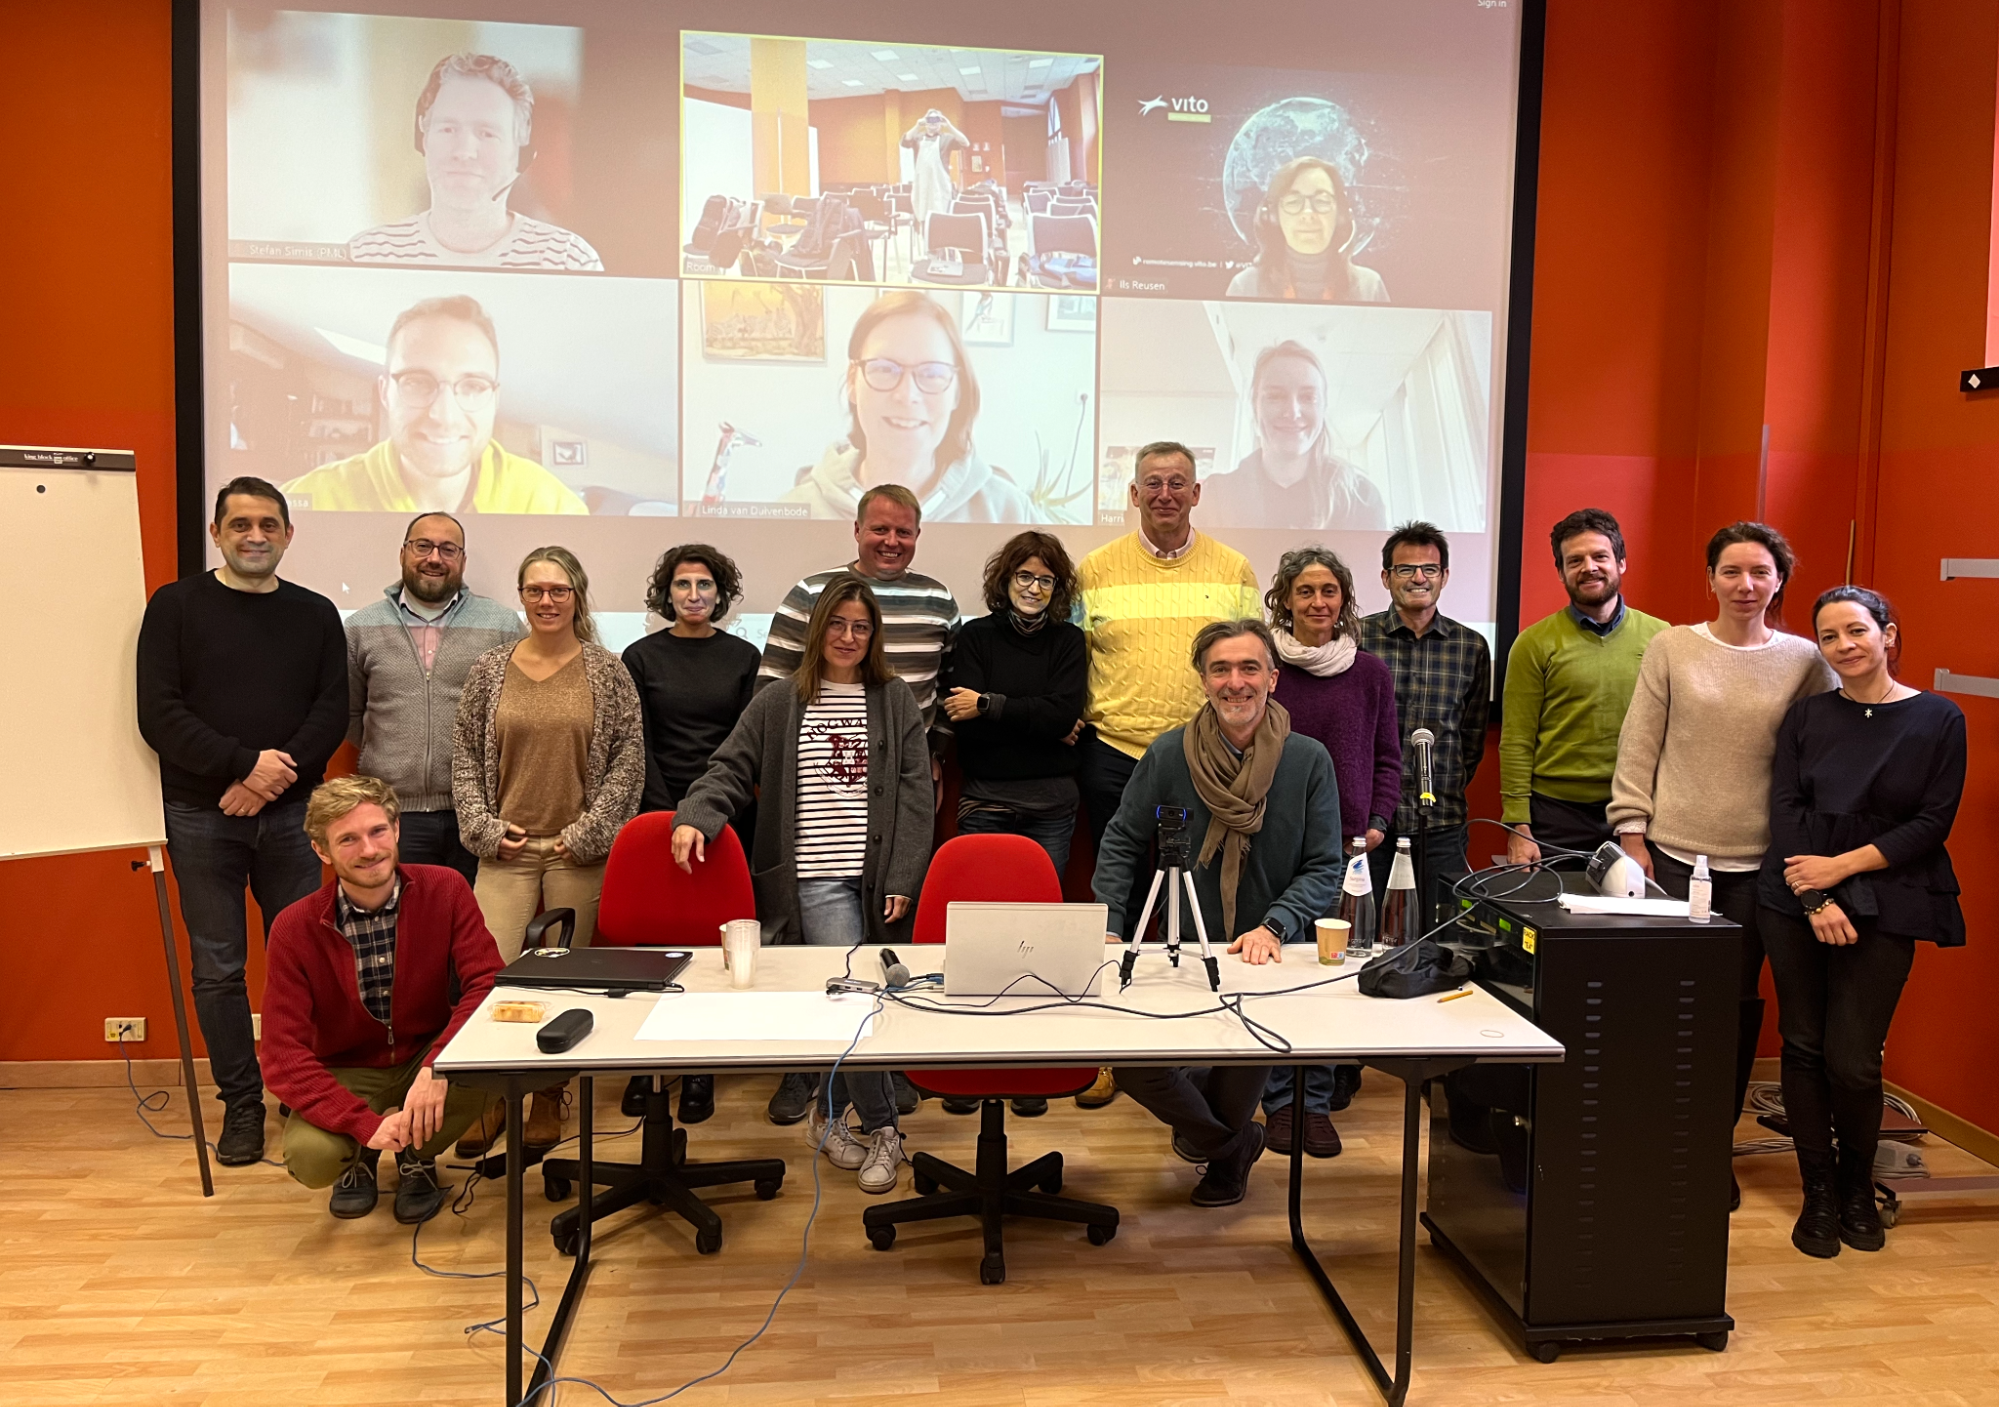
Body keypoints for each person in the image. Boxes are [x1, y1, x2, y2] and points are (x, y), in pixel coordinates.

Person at [672, 577, 931, 1194]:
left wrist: (902, 874)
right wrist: (695, 815)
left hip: (875, 883)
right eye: (837, 624)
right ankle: (882, 1127)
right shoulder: (781, 701)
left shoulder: (893, 699)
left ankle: (829, 1118)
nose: (848, 636)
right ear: (817, 630)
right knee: (853, 998)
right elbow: (729, 766)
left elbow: (916, 791)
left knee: (850, 1001)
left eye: (861, 627)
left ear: (874, 636)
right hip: (811, 882)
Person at [1609, 523, 1835, 1209]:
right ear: (1709, 577)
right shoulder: (1672, 647)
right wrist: (1631, 833)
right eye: (1731, 571)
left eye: (1759, 572)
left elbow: (1827, 752)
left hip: (1763, 867)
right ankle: (1652, 1139)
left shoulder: (1804, 660)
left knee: (1732, 1012)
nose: (1745, 585)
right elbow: (1639, 743)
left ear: (1778, 580)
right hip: (1673, 858)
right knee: (1664, 1006)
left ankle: (1710, 1146)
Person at [1096, 620, 1345, 1207]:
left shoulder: (1308, 761)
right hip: (1182, 949)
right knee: (1132, 1065)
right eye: (1221, 669)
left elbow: (1324, 865)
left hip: (1267, 956)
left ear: (1273, 679)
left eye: (1249, 668)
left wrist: (1274, 925)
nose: (1236, 682)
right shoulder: (1168, 753)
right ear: (1203, 680)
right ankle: (1233, 1144)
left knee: (1247, 1052)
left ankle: (1219, 1155)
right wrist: (1108, 925)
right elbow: (1122, 840)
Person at [136, 477, 347, 1167]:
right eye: (239, 524)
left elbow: (330, 712)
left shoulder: (316, 613)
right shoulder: (174, 607)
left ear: (288, 534)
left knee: (304, 961)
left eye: (268, 524)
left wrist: (269, 779)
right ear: (216, 533)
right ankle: (243, 1105)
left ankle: (301, 1090)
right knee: (219, 968)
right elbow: (159, 712)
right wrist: (242, 766)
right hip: (201, 815)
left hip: (292, 817)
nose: (254, 536)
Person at [1760, 587, 1964, 1260]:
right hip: (1795, 896)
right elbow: (1786, 806)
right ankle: (1817, 1190)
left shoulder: (1938, 718)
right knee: (1802, 1047)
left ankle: (1856, 1187)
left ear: (1887, 634)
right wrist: (1814, 897)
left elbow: (1931, 821)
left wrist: (1839, 869)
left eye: (1855, 630)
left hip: (1888, 892)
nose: (1843, 645)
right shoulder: (1806, 717)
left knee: (1851, 1059)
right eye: (1829, 636)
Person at [759, 485, 959, 1124]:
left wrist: (932, 754)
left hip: (890, 823)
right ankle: (852, 1098)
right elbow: (761, 719)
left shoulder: (934, 607)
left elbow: (947, 696)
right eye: (879, 529)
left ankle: (871, 1077)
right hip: (819, 835)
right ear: (856, 529)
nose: (891, 541)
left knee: (877, 960)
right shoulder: (806, 599)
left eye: (904, 532)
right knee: (837, 970)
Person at [1072, 441, 1260, 1108]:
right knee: (1118, 893)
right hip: (1113, 752)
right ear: (1133, 494)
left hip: (1200, 759)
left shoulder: (1233, 568)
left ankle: (1194, 1036)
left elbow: (1246, 665)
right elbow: (1074, 657)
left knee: (1198, 896)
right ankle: (1108, 1048)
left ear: (1196, 492)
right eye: (1151, 483)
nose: (1164, 494)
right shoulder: (1095, 569)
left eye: (1177, 482)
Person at [451, 546, 644, 1154]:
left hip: (575, 853)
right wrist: (482, 828)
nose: (546, 601)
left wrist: (590, 832)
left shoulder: (607, 671)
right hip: (505, 851)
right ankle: (491, 1097)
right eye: (535, 590)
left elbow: (628, 759)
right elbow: (465, 755)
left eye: (559, 590)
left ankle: (546, 1096)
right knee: (490, 978)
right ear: (522, 596)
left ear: (577, 596)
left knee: (564, 982)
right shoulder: (491, 669)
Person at [263, 777, 502, 1225]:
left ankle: (416, 1157)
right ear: (322, 851)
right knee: (311, 1157)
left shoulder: (446, 888)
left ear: (396, 829)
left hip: (424, 1053)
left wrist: (438, 1065)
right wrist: (362, 1124)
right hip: (348, 1066)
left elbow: (487, 983)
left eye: (377, 831)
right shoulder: (294, 928)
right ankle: (361, 1154)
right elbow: (281, 1055)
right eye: (348, 839)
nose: (369, 850)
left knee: (499, 1069)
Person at [938, 531, 1089, 1120]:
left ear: (1058, 588)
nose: (1033, 588)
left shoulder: (1068, 640)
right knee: (979, 934)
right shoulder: (975, 637)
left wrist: (990, 704)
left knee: (1038, 937)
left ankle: (1030, 1063)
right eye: (1024, 576)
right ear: (1004, 581)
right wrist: (1039, 721)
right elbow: (970, 730)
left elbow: (1064, 712)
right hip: (987, 800)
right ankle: (965, 1064)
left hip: (1053, 805)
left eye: (1045, 580)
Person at [1258, 547, 1400, 1160]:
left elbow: (1388, 756)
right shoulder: (1263, 667)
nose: (1318, 602)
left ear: (1344, 600)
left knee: (1325, 976)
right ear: (1284, 600)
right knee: (1269, 970)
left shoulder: (1370, 673)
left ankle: (1312, 1103)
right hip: (1268, 842)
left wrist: (1378, 820)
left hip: (1343, 848)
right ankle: (1276, 1101)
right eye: (1305, 591)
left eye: (1329, 591)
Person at [620, 542, 760, 1125]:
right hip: (655, 814)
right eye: (683, 584)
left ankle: (701, 1063)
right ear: (667, 593)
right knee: (654, 939)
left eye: (705, 585)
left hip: (727, 816)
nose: (694, 595)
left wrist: (708, 813)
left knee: (711, 940)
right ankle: (645, 1064)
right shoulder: (639, 656)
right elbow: (637, 742)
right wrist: (669, 814)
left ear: (720, 594)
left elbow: (746, 745)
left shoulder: (744, 656)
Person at [280, 295, 587, 515]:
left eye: (473, 386)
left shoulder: (554, 508)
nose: (444, 416)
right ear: (385, 393)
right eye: (417, 382)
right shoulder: (305, 505)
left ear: (495, 400)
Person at [345, 512, 524, 887]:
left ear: (463, 560)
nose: (434, 558)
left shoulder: (503, 625)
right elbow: (350, 714)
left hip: (478, 814)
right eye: (423, 546)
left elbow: (521, 716)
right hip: (392, 814)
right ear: (403, 553)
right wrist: (393, 755)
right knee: (408, 920)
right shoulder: (360, 628)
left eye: (448, 549)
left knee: (473, 921)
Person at [1501, 509, 1667, 866]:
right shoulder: (1533, 644)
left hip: (1639, 814)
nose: (1589, 567)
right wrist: (1518, 825)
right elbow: (1516, 740)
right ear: (1561, 572)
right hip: (1555, 818)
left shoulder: (1662, 639)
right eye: (1575, 561)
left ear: (1621, 562)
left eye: (1600, 556)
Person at [785, 290, 1035, 522]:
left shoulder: (1010, 514)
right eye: (885, 369)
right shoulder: (794, 516)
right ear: (852, 381)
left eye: (932, 373)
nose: (907, 395)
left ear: (957, 392)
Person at [349, 52, 602, 271]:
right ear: (422, 138)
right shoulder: (365, 253)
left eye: (486, 133)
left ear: (521, 151)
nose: (464, 152)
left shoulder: (570, 258)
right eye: (448, 129)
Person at [1358, 521, 1491, 922]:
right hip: (1370, 821)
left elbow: (1471, 737)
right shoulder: (1356, 640)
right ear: (1386, 577)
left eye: (1429, 569)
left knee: (1440, 931)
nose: (1419, 578)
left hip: (1443, 824)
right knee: (1365, 929)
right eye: (1406, 569)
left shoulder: (1470, 647)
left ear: (1444, 576)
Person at [1196, 341, 1386, 531]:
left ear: (1323, 408)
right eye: (1275, 396)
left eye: (1308, 397)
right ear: (1255, 406)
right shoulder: (1214, 498)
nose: (1292, 412)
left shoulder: (1361, 499)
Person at [1225, 157, 1387, 303]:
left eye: (1322, 201)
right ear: (1273, 217)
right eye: (1293, 202)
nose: (1308, 214)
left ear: (1341, 215)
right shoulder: (1245, 287)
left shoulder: (1370, 287)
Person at [903, 109, 969, 235]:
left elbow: (965, 142)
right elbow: (906, 140)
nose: (933, 122)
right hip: (922, 185)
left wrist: (949, 126)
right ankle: (927, 244)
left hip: (940, 185)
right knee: (923, 214)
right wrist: (918, 125)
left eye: (936, 119)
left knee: (942, 216)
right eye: (930, 119)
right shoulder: (918, 138)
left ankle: (944, 244)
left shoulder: (946, 139)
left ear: (940, 123)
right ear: (926, 122)